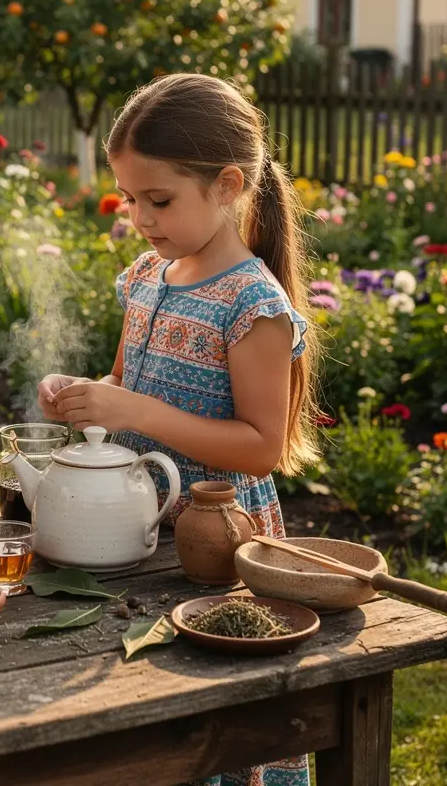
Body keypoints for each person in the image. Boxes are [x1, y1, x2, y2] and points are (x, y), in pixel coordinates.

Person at [38, 73, 317, 786]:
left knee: (213, 724)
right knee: (141, 719)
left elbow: (264, 447)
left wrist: (135, 412)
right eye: (130, 198)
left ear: (226, 185)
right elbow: (124, 388)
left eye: (157, 200)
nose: (138, 215)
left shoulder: (253, 303)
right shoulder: (146, 277)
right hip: (141, 533)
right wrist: (83, 397)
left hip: (221, 549)